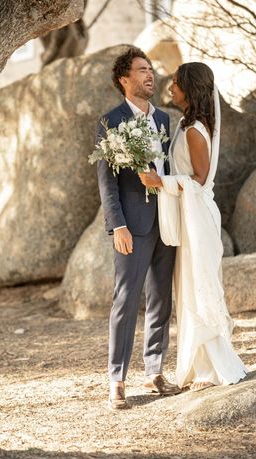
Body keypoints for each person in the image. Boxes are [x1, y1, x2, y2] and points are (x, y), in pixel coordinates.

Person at [139, 62, 248, 391]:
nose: (170, 87)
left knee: (197, 286)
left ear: (191, 88)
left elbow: (199, 181)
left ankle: (210, 369)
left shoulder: (196, 131)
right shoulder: (187, 125)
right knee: (186, 286)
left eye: (176, 82)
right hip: (187, 216)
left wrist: (161, 181)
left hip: (196, 217)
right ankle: (198, 364)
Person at [96, 47, 180, 410]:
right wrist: (118, 226)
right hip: (133, 224)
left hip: (166, 221)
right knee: (126, 300)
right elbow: (106, 183)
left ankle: (154, 369)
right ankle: (117, 379)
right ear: (124, 79)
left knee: (162, 298)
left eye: (151, 70)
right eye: (142, 70)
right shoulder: (109, 122)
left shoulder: (163, 119)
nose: (151, 75)